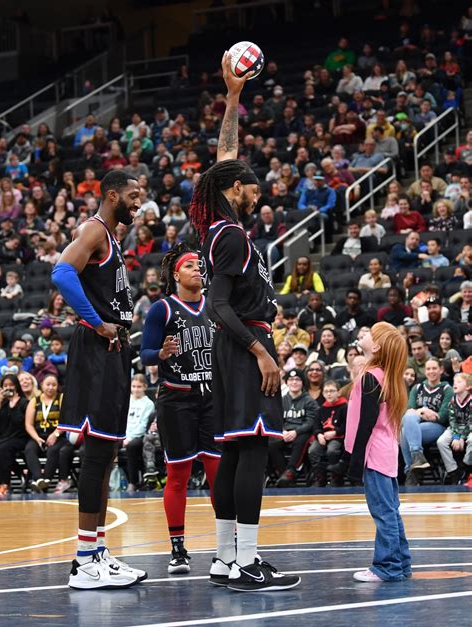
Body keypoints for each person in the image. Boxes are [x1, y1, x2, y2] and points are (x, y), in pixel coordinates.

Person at [189, 52, 300, 592]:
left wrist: (233, 97)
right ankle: (247, 562)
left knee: (234, 450)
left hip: (231, 347)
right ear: (237, 189)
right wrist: (261, 352)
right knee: (252, 449)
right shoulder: (231, 234)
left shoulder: (217, 223)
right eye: (253, 187)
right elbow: (220, 305)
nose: (259, 193)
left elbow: (224, 157)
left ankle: (225, 557)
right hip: (244, 342)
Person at [51, 170, 146, 589]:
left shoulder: (109, 235)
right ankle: (84, 561)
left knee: (107, 454)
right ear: (111, 195)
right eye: (132, 195)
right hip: (97, 350)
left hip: (114, 350)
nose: (138, 202)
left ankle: (98, 552)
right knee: (95, 455)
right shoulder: (93, 229)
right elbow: (61, 274)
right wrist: (97, 323)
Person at [140, 243, 220, 572]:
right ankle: (177, 548)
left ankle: (228, 546)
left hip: (213, 397)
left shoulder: (216, 305)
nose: (198, 269)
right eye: (190, 266)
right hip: (176, 398)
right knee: (178, 475)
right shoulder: (162, 310)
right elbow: (145, 353)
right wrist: (159, 354)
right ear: (176, 275)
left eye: (200, 265)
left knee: (219, 473)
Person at [344, 322, 411, 581]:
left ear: (377, 345)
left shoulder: (372, 376)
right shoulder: (384, 375)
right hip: (385, 452)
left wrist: (355, 460)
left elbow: (367, 422)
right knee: (391, 510)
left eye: (370, 333)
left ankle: (387, 567)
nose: (365, 334)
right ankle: (402, 563)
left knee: (384, 512)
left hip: (375, 455)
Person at [401, 357, 453, 485]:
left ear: (441, 370)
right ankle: (417, 458)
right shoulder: (417, 388)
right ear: (424, 371)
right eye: (428, 369)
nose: (431, 371)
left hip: (437, 427)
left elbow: (442, 416)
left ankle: (411, 471)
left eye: (434, 368)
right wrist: (425, 411)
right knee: (407, 422)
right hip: (416, 425)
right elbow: (410, 409)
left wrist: (420, 412)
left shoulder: (447, 389)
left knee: (405, 431)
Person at [268, 368, 319, 487]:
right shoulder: (280, 400)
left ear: (302, 383)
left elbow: (311, 421)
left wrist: (296, 432)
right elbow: (275, 419)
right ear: (286, 383)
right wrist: (282, 431)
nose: (294, 382)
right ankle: (283, 474)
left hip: (302, 432)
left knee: (302, 440)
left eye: (297, 379)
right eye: (291, 380)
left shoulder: (309, 401)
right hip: (284, 432)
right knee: (272, 443)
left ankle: (290, 471)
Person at [24, 373, 63, 492]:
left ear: (57, 386)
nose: (50, 387)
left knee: (53, 450)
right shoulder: (34, 401)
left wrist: (55, 434)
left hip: (57, 435)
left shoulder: (61, 398)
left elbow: (67, 421)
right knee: (29, 449)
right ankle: (39, 479)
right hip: (39, 435)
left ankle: (46, 480)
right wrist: (36, 438)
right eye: (48, 384)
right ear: (42, 385)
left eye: (54, 385)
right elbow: (28, 424)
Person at [308, 380, 348, 487]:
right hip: (323, 437)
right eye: (326, 391)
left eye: (332, 391)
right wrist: (318, 434)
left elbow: (347, 425)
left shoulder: (344, 407)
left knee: (332, 450)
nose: (329, 394)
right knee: (313, 450)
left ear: (338, 392)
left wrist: (335, 432)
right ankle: (320, 477)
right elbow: (316, 425)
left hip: (338, 436)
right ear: (323, 393)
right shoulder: (321, 409)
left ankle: (336, 477)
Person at [436, 373, 471, 485]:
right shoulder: (452, 400)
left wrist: (461, 438)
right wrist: (456, 437)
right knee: (441, 441)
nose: (455, 384)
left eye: (459, 382)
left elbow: (470, 422)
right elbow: (452, 420)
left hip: (470, 428)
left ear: (468, 387)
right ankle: (453, 470)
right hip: (455, 428)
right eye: (454, 381)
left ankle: (466, 466)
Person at [0, 374, 29, 497]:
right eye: (5, 385)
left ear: (16, 386)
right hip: (3, 437)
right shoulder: (1, 402)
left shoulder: (23, 402)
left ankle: (5, 483)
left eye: (11, 385)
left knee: (2, 449)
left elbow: (20, 423)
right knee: (1, 447)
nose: (8, 388)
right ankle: (19, 472)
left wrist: (13, 406)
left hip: (19, 438)